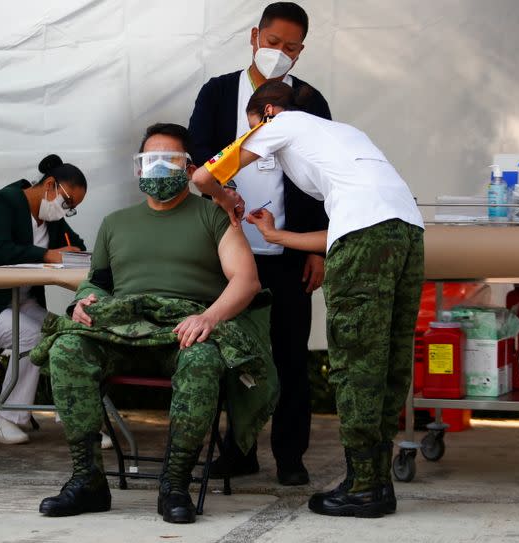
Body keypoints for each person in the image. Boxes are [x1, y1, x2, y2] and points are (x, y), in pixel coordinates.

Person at [191, 81, 425, 518]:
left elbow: (204, 176)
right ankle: (377, 482)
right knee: (390, 359)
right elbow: (346, 229)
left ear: (265, 114)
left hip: (366, 237)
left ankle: (361, 487)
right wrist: (278, 236)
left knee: (355, 360)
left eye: (251, 129)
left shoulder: (280, 122)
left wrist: (228, 200)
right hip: (407, 233)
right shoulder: (347, 135)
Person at [30, 123, 278, 524]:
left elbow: (246, 281)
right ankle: (88, 479)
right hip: (123, 332)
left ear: (190, 166)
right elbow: (100, 282)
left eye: (170, 160)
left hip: (183, 333)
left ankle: (175, 484)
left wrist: (208, 316)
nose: (159, 168)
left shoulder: (214, 216)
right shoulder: (115, 223)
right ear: (138, 168)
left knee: (202, 360)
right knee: (66, 348)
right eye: (151, 160)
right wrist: (83, 301)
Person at [187, 1, 330, 486]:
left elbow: (323, 177)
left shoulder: (310, 99)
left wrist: (317, 249)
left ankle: (291, 456)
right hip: (228, 250)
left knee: (291, 356)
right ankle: (238, 451)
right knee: (231, 354)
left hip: (290, 249)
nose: (279, 53)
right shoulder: (218, 92)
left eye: (291, 48)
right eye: (272, 43)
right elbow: (198, 160)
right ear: (254, 37)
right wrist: (221, 193)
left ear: (301, 51)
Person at [0, 154, 93, 445]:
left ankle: (79, 415)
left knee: (67, 333)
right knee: (33, 336)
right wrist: (47, 255)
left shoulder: (52, 218)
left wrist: (74, 251)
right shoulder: (5, 202)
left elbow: (75, 245)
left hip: (22, 301)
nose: (67, 210)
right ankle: (5, 418)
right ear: (50, 185)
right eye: (68, 202)